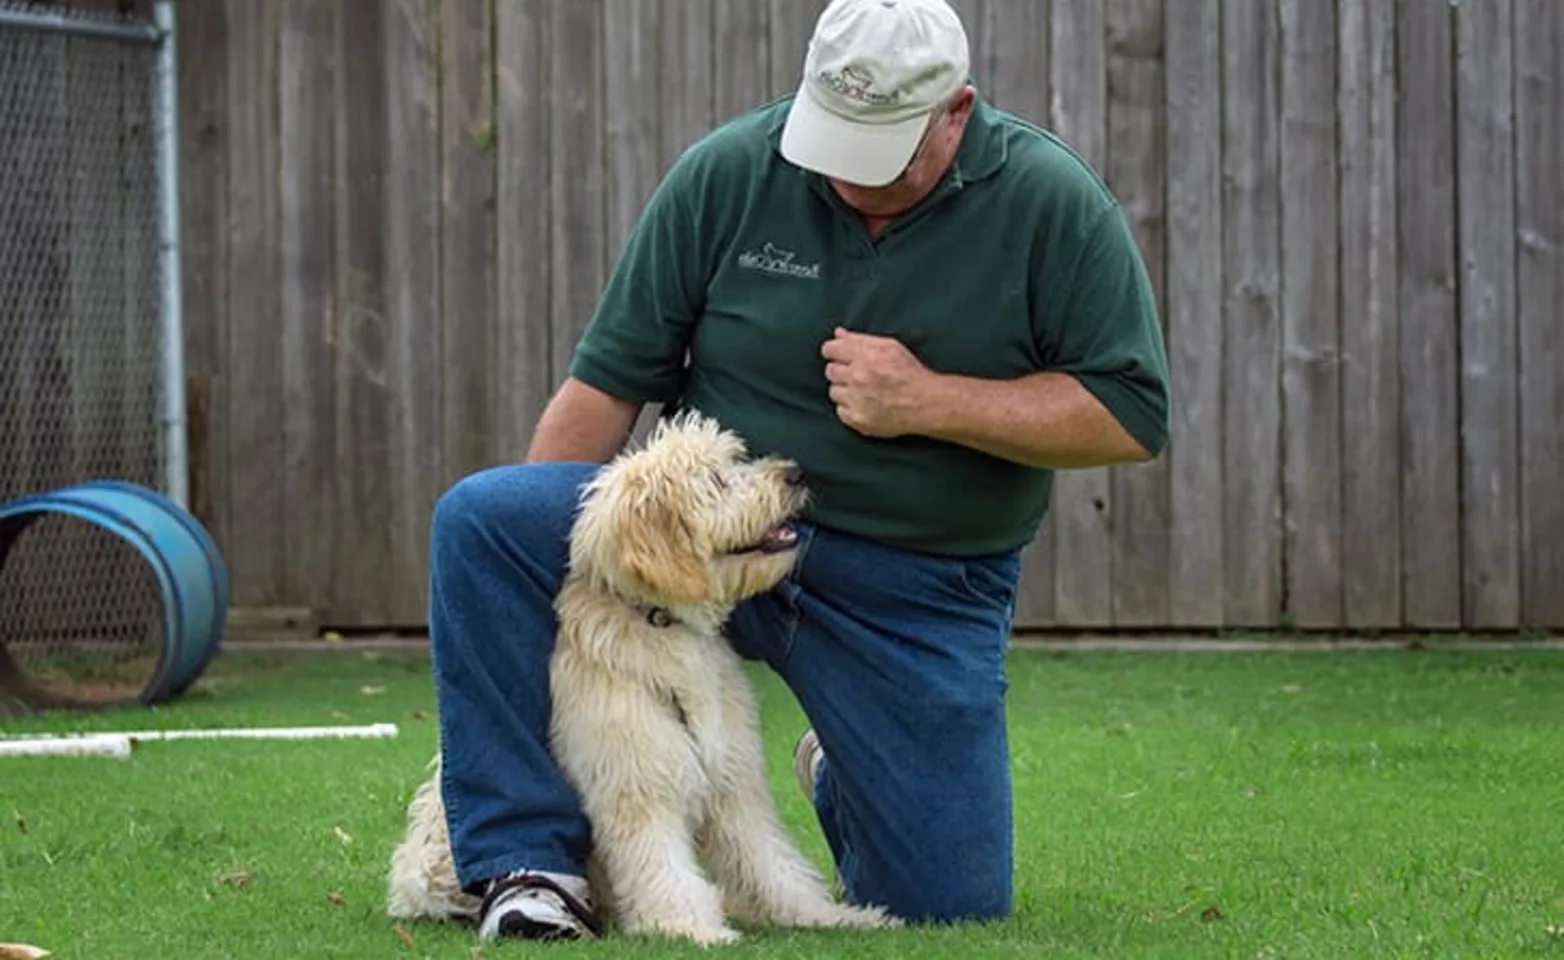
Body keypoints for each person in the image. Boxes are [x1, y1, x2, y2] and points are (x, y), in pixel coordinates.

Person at [427, 0, 1171, 943]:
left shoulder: (1054, 204)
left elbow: (1131, 415)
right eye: (836, 141)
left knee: (948, 901)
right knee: (487, 520)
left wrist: (929, 401)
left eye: (885, 152)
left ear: (957, 111)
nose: (854, 179)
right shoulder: (729, 172)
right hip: (708, 533)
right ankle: (529, 861)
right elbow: (606, 385)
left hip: (914, 585)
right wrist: (565, 591)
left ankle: (840, 763)